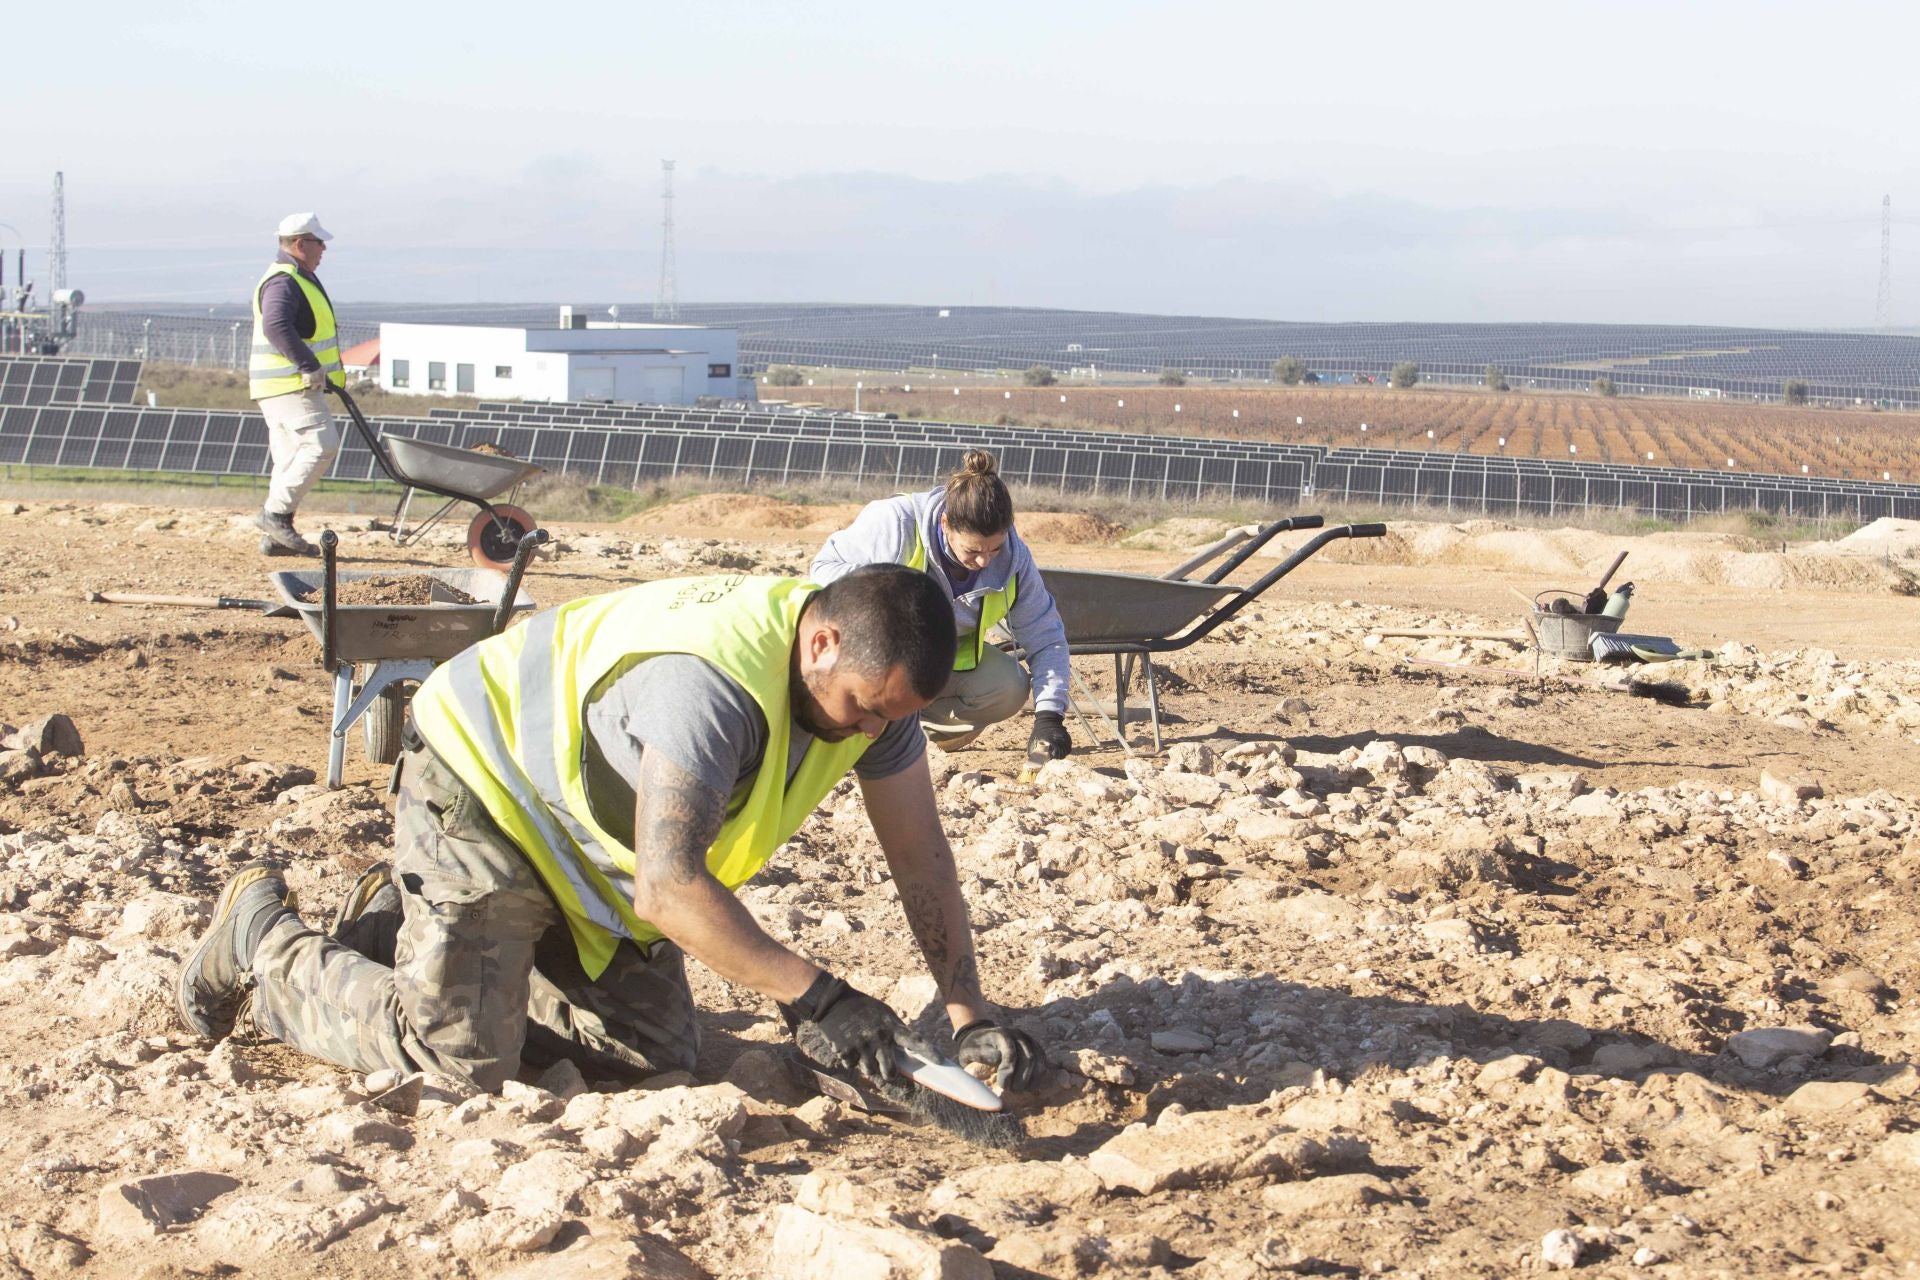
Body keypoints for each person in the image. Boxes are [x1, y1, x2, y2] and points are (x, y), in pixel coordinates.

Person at [175, 565, 1046, 1097]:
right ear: (820, 644)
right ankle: (264, 941)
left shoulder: (875, 697)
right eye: (862, 709)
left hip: (579, 849)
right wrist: (819, 997)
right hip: (485, 788)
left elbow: (922, 860)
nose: (867, 734)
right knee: (459, 1063)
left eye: (888, 720)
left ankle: (406, 928)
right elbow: (669, 887)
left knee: (659, 1055)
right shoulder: (709, 688)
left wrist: (967, 1012)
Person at [812, 450, 1073, 761]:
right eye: (972, 549)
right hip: (871, 653)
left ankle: (915, 736)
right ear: (946, 523)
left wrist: (1050, 716)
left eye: (995, 548)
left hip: (935, 661)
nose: (984, 560)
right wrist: (887, 587)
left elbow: (1046, 637)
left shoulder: (1014, 559)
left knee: (1009, 686)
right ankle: (857, 727)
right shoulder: (896, 522)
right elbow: (822, 568)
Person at [248, 212, 345, 556]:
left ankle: (277, 535)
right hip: (290, 385)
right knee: (321, 444)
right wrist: (309, 365)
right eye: (320, 243)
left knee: (289, 459)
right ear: (301, 244)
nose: (324, 249)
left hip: (279, 387)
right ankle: (274, 516)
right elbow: (276, 325)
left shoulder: (293, 277)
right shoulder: (284, 280)